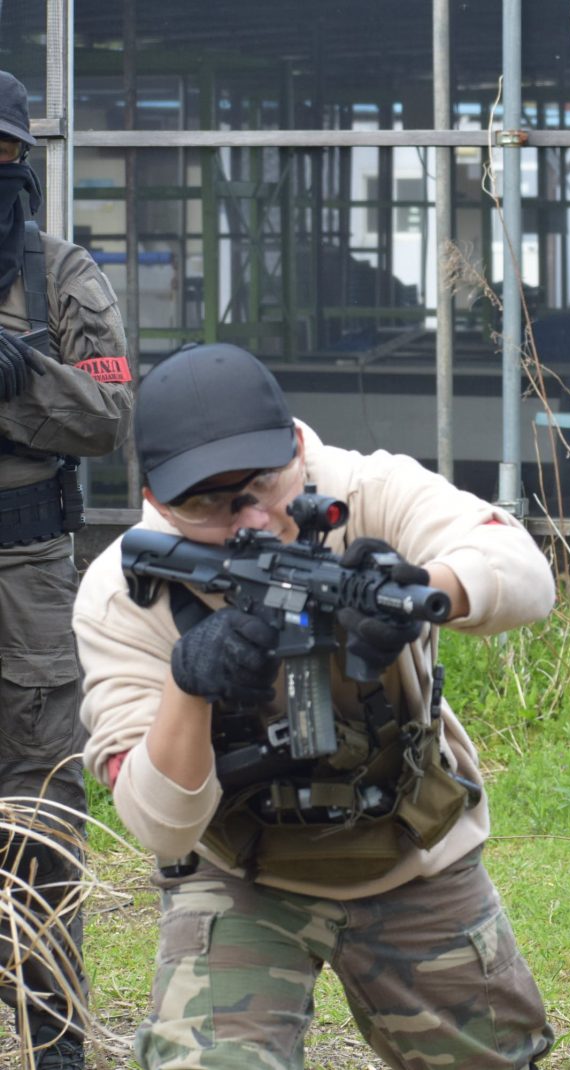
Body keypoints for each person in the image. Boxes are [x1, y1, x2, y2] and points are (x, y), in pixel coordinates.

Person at [73, 343, 557, 1069]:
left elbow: (524, 573)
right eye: (207, 504)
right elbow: (162, 826)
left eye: (263, 485)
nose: (251, 521)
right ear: (156, 503)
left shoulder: (367, 489)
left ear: (299, 448)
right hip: (240, 872)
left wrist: (424, 587)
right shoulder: (123, 592)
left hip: (410, 851)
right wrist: (189, 685)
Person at [0, 68, 133, 1070]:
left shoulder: (59, 273)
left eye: (1, 153)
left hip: (28, 577)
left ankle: (53, 1042)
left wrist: (19, 376)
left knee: (40, 806)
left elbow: (110, 413)